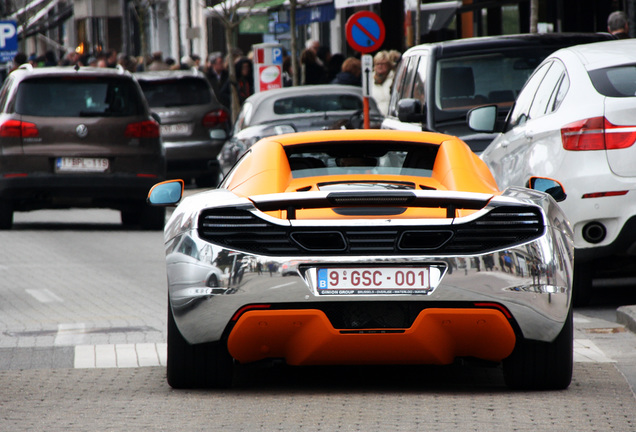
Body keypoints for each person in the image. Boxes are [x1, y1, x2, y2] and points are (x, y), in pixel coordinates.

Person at [370, 50, 395, 115]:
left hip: (391, 116)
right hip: (375, 118)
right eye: (378, 64)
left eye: (383, 64)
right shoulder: (370, 80)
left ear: (389, 65)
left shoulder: (394, 78)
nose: (380, 66)